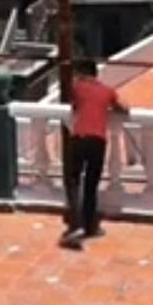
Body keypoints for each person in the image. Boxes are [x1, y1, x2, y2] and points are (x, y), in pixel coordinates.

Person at [62, 60, 128, 246]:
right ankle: (90, 226)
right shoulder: (107, 91)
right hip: (98, 141)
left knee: (73, 180)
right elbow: (123, 107)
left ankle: (75, 224)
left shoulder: (78, 87)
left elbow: (74, 104)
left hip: (79, 137)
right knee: (91, 184)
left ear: (83, 73)